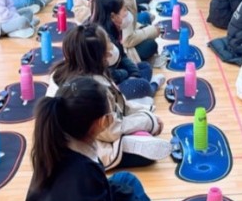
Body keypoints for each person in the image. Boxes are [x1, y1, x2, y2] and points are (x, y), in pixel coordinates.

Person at [24, 77, 178, 201]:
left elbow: (94, 197)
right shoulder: (78, 174)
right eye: (110, 113)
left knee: (127, 180)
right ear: (102, 122)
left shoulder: (65, 142)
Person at [48, 24, 172, 169]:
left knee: (143, 78)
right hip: (85, 147)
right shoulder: (91, 89)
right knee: (144, 155)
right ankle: (130, 142)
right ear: (97, 56)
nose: (111, 48)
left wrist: (145, 114)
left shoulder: (72, 71)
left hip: (93, 134)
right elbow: (109, 130)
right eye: (107, 49)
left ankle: (137, 135)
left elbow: (119, 104)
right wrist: (148, 120)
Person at [90, 0, 164, 100]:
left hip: (118, 74)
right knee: (143, 86)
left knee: (145, 67)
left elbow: (122, 56)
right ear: (113, 16)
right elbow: (107, 74)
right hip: (108, 87)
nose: (127, 13)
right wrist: (125, 74)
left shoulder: (112, 30)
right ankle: (152, 86)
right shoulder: (100, 39)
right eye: (124, 9)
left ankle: (138, 90)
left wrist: (134, 74)